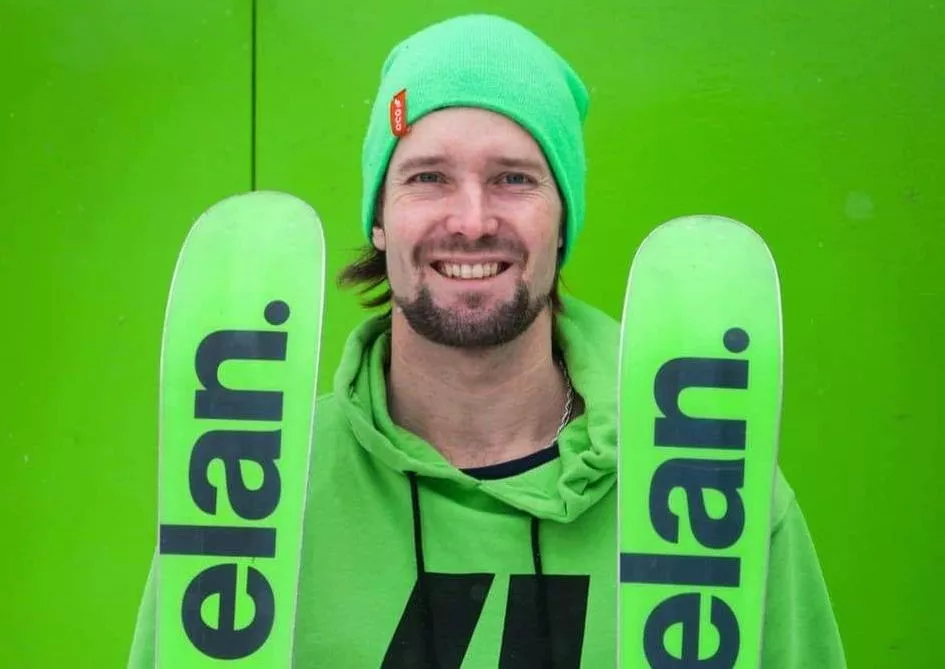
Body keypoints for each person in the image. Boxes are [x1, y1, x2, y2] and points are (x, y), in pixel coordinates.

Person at [128, 13, 846, 667]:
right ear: (379, 219)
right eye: (428, 177)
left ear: (561, 221)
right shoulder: (249, 489)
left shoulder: (707, 485)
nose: (471, 220)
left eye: (512, 178)